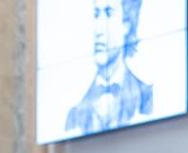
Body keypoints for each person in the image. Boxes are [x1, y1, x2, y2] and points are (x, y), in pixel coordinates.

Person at [65, 0, 152, 134]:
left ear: (127, 23)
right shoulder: (75, 114)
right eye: (96, 14)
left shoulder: (147, 97)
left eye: (109, 13)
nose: (98, 30)